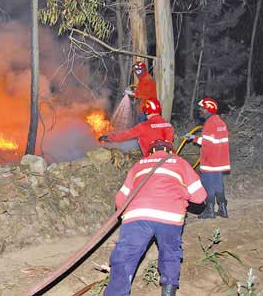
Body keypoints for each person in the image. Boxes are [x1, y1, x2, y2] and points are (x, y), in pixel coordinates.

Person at [104, 141, 207, 296]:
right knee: (170, 253)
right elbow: (200, 197)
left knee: (125, 256)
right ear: (171, 152)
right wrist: (181, 195)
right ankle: (168, 291)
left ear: (150, 153)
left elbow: (120, 200)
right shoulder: (180, 162)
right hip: (170, 216)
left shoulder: (139, 165)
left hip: (137, 215)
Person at [185, 97, 230, 219]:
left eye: (202, 108)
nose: (200, 110)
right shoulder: (221, 122)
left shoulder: (210, 123)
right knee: (218, 185)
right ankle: (223, 208)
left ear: (209, 109)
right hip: (220, 162)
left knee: (208, 185)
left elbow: (207, 142)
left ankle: (209, 210)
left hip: (210, 161)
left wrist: (193, 138)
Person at [98, 98, 174, 157]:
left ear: (146, 112)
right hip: (169, 159)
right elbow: (168, 144)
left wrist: (108, 137)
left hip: (151, 161)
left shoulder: (143, 126)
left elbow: (125, 135)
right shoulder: (168, 125)